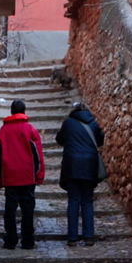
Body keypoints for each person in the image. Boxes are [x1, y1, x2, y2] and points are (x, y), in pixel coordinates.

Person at [0, 99, 45, 249]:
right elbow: (38, 155)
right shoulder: (30, 130)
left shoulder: (3, 131)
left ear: (11, 112)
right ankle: (28, 241)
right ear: (24, 111)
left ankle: (10, 240)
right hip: (28, 177)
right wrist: (39, 175)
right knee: (28, 211)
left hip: (10, 177)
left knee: (10, 211)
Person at [56, 102, 105, 247]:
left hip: (72, 166)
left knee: (73, 200)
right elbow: (100, 141)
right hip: (90, 165)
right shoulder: (94, 124)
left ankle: (72, 237)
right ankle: (88, 236)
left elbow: (59, 140)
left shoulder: (68, 123)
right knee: (87, 201)